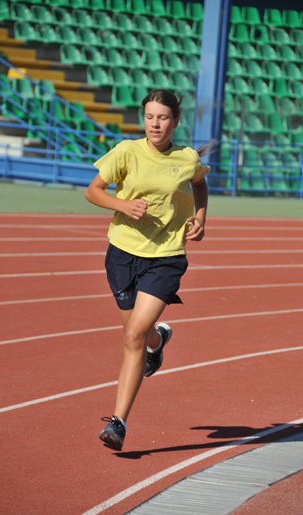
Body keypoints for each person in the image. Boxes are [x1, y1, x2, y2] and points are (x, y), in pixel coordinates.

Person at [85, 89, 210, 451]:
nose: (155, 124)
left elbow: (200, 185)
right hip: (123, 255)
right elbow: (93, 191)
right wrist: (123, 205)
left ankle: (118, 422)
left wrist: (200, 218)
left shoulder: (187, 158)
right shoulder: (126, 151)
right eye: (150, 117)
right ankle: (160, 341)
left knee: (132, 336)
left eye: (163, 117)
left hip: (167, 256)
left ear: (176, 120)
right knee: (139, 335)